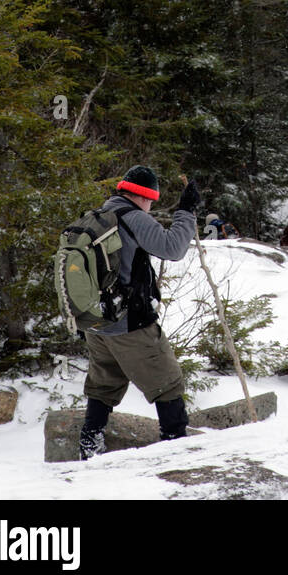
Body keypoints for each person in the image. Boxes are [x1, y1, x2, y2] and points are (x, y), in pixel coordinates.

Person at [78, 165, 201, 460]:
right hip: (129, 323)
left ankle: (89, 443)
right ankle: (176, 448)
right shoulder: (133, 217)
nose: (151, 206)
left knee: (104, 383)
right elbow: (173, 248)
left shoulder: (95, 216)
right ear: (144, 197)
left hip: (95, 322)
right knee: (167, 381)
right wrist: (186, 211)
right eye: (151, 201)